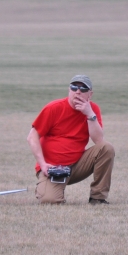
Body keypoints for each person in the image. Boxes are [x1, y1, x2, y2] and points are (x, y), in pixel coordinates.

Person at [27, 75, 115, 205]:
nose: (78, 91)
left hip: (77, 165)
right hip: (52, 168)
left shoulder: (93, 109)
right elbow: (32, 137)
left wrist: (90, 114)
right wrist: (43, 164)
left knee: (106, 148)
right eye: (74, 87)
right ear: (69, 90)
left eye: (83, 88)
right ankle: (49, 188)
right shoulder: (54, 107)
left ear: (90, 94)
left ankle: (98, 198)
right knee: (50, 201)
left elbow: (98, 140)